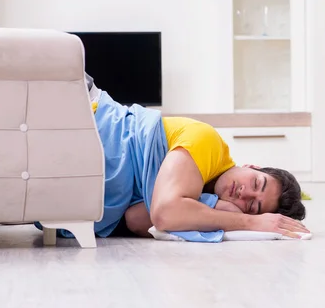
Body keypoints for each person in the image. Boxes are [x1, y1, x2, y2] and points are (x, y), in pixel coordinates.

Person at [87, 79, 310, 240]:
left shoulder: (203, 202)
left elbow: (136, 219)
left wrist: (218, 209)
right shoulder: (208, 142)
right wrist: (250, 221)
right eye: (256, 182)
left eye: (251, 206)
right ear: (252, 166)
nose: (244, 193)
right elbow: (164, 213)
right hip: (87, 118)